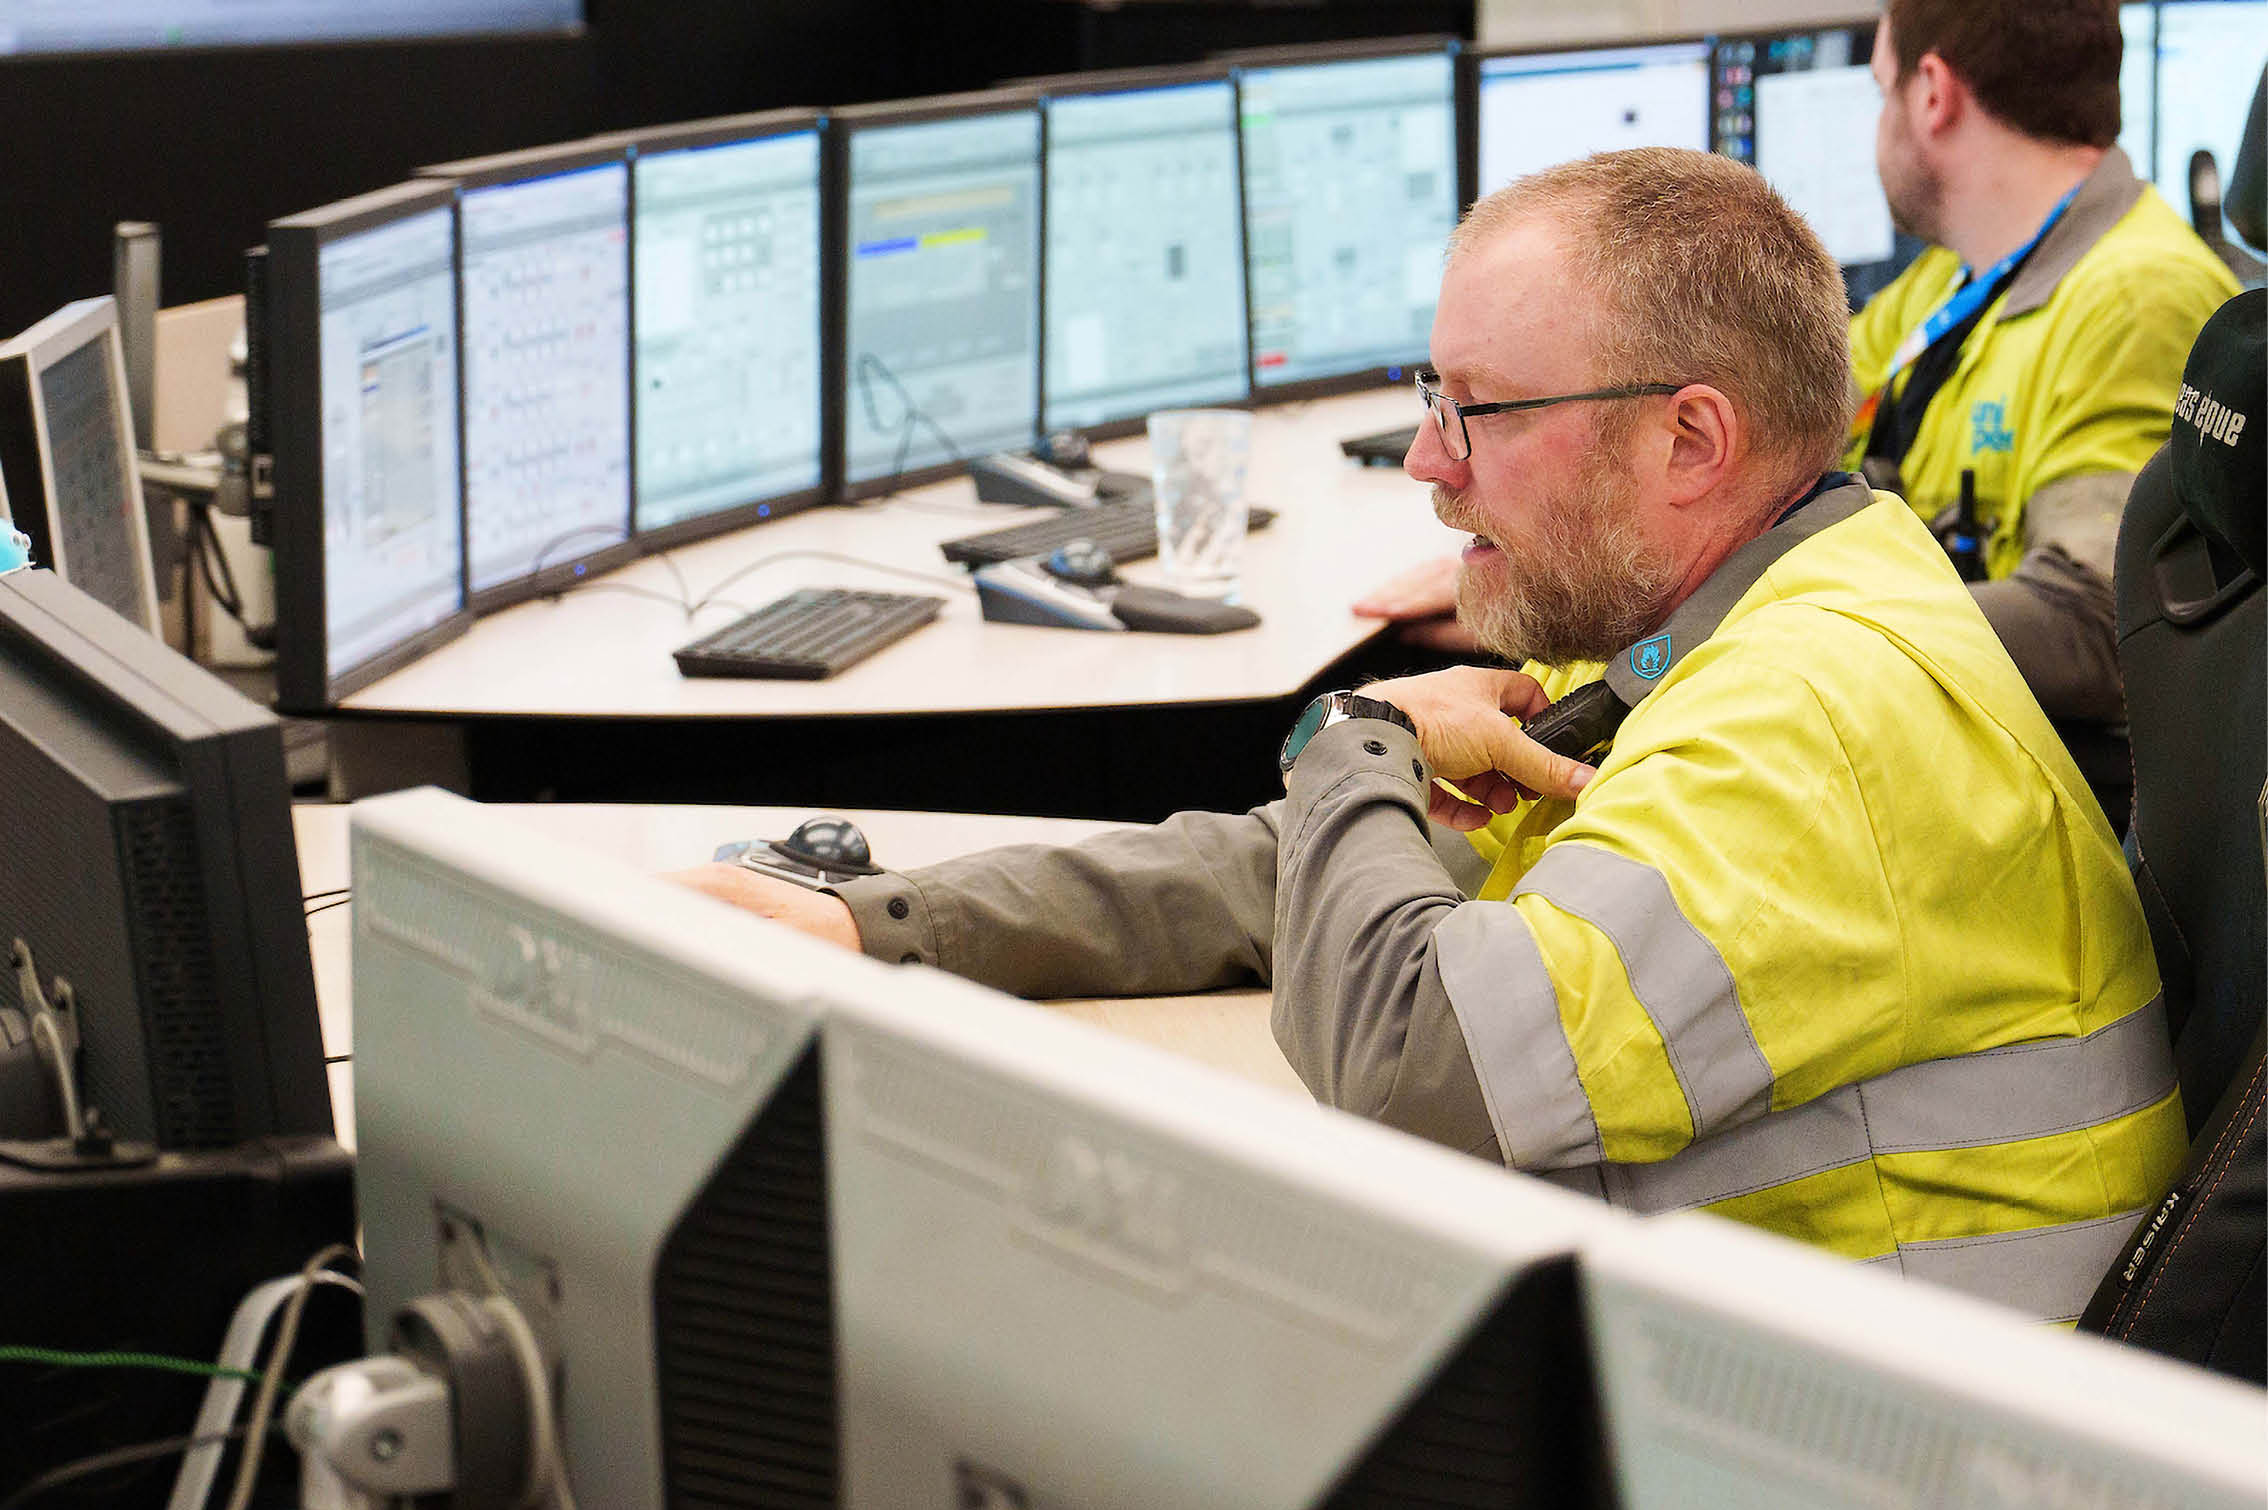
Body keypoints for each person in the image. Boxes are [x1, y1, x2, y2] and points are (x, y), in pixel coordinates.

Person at [673, 148, 2185, 1324]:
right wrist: (874, 924)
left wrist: (1355, 731)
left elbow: (1414, 1062)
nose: (1426, 461)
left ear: (1692, 439)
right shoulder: (1800, 596)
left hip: (1888, 1483)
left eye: (1479, 409)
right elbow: (1328, 869)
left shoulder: (1809, 725)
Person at [1358, 0, 2240, 738]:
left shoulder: (2138, 295)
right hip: (1872, 700)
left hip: (1954, 734)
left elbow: (2097, 623)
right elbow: (1766, 409)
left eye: (1879, 89)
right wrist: (1537, 546)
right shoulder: (1962, 272)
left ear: (1932, 95)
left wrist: (1763, 639)